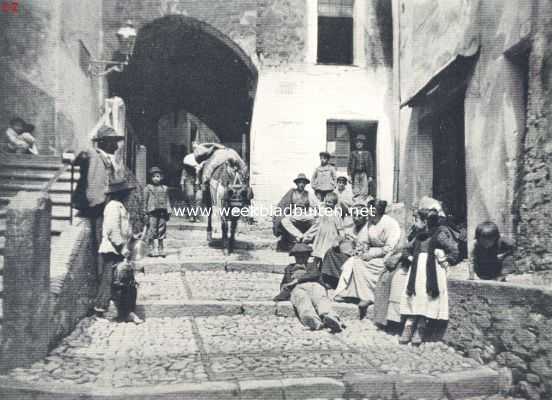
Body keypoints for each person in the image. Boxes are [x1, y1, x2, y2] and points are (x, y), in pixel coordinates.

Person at [72, 125, 125, 315]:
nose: (117, 145)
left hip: (106, 209)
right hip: (101, 211)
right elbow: (94, 187)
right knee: (107, 254)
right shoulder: (95, 156)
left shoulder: (106, 158)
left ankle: (106, 299)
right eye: (113, 142)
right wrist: (103, 206)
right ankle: (103, 301)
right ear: (104, 142)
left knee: (109, 255)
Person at [399, 208, 460, 345]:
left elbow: (454, 249)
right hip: (416, 273)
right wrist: (411, 258)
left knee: (426, 298)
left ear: (425, 221)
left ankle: (421, 327)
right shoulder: (419, 235)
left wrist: (445, 259)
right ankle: (408, 326)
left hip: (432, 273)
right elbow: (406, 248)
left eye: (417, 220)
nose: (414, 223)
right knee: (415, 298)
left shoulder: (439, 234)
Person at [334, 199, 402, 319]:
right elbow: (363, 239)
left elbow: (390, 247)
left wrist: (371, 254)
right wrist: (361, 249)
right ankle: (355, 294)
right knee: (355, 262)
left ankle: (370, 297)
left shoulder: (391, 224)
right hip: (372, 253)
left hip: (388, 256)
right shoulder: (370, 222)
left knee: (364, 264)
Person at [98, 178, 143, 324]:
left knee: (123, 282)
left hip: (119, 249)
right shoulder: (112, 207)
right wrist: (122, 246)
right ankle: (104, 310)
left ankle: (125, 311)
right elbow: (112, 230)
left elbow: (122, 228)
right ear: (121, 194)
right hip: (112, 249)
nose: (129, 196)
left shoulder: (119, 206)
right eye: (127, 193)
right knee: (111, 281)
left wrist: (132, 236)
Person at [273, 243, 345, 332]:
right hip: (298, 288)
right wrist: (284, 290)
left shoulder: (312, 266)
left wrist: (297, 280)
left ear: (307, 257)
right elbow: (284, 284)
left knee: (320, 298)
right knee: (302, 299)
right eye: (298, 257)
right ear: (294, 257)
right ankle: (313, 321)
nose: (301, 259)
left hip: (314, 285)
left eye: (303, 257)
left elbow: (315, 274)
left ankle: (330, 317)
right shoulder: (289, 268)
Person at [319, 199, 370, 289]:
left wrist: (355, 247)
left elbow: (366, 246)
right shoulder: (352, 227)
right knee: (331, 252)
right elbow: (342, 235)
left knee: (349, 260)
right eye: (354, 216)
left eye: (359, 216)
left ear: (365, 216)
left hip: (360, 255)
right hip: (348, 252)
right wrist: (338, 240)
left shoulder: (368, 229)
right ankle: (330, 279)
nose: (356, 218)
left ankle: (342, 282)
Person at [273, 173, 319, 247]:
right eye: (300, 182)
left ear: (305, 184)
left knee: (319, 221)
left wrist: (317, 213)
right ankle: (299, 236)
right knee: (284, 220)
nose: (301, 184)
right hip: (294, 215)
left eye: (303, 182)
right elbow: (283, 204)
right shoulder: (291, 193)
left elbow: (317, 205)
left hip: (305, 215)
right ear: (297, 183)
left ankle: (307, 237)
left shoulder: (308, 194)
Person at [303, 192, 344, 267]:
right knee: (317, 252)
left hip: (330, 237)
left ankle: (324, 268)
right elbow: (316, 225)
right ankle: (314, 269)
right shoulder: (322, 211)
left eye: (330, 202)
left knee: (326, 253)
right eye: (326, 201)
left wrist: (341, 238)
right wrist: (307, 234)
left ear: (334, 204)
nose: (327, 204)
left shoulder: (336, 214)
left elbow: (340, 228)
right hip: (321, 235)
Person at [144, 166, 172, 257]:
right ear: (150, 178)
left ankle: (161, 248)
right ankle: (151, 248)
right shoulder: (148, 188)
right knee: (152, 230)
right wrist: (145, 212)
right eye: (153, 176)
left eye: (157, 176)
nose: (156, 178)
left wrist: (169, 209)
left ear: (161, 177)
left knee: (161, 229)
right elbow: (145, 201)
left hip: (162, 212)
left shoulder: (165, 188)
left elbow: (167, 200)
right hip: (152, 212)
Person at [348, 134, 375, 199]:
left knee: (364, 190)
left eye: (360, 142)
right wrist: (349, 175)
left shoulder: (367, 153)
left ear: (363, 143)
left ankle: (363, 204)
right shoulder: (353, 153)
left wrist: (370, 176)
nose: (358, 144)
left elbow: (371, 165)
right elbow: (349, 165)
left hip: (364, 173)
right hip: (355, 174)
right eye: (357, 142)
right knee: (356, 190)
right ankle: (357, 203)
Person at [180, 153, 202, 222]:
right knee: (190, 196)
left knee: (199, 198)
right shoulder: (187, 167)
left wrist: (199, 170)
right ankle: (192, 215)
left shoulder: (202, 163)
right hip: (189, 180)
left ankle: (197, 215)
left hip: (198, 181)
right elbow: (183, 176)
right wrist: (182, 184)